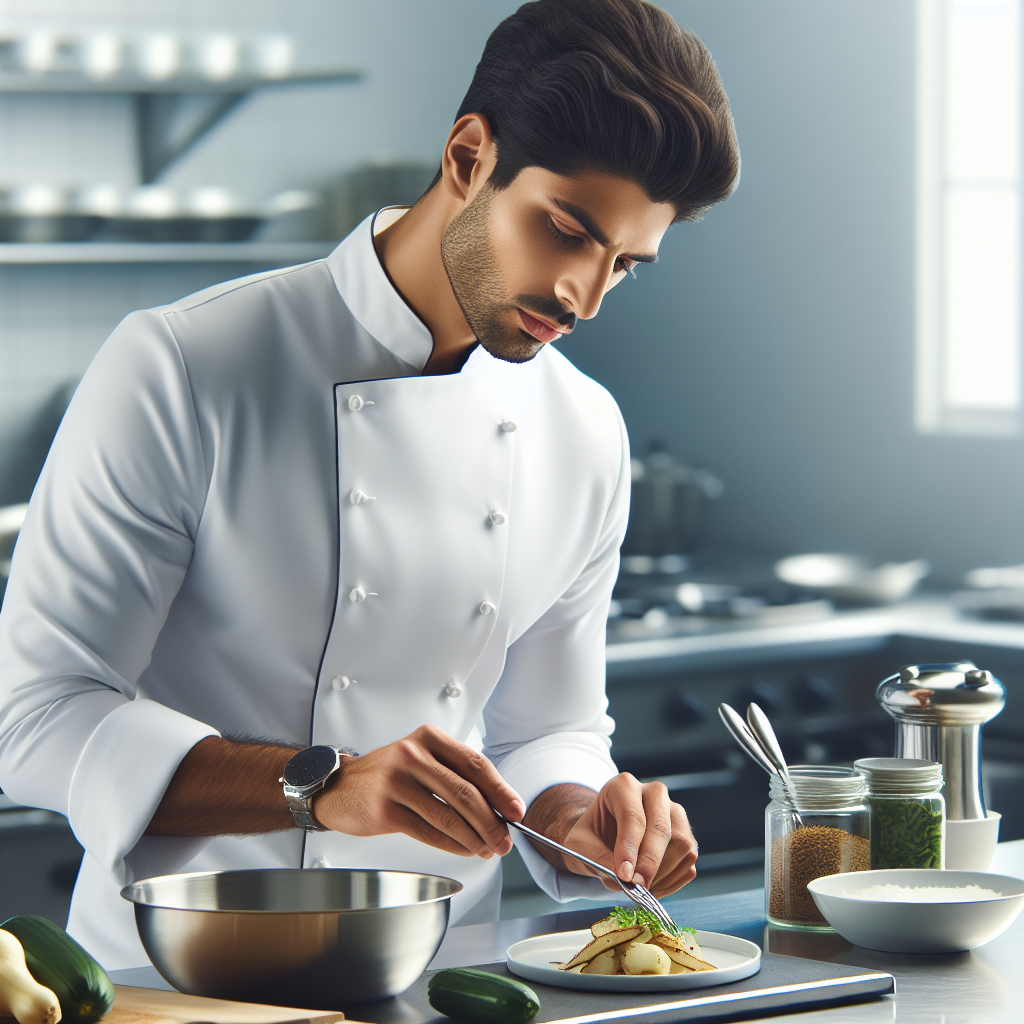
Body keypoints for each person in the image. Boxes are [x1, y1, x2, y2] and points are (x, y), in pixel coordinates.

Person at [0, 0, 739, 969]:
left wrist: (579, 815)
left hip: (440, 974)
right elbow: (37, 711)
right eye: (565, 231)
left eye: (625, 266)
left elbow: (549, 724)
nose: (584, 295)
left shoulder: (584, 429)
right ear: (469, 156)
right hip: (176, 972)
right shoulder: (186, 364)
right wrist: (322, 784)